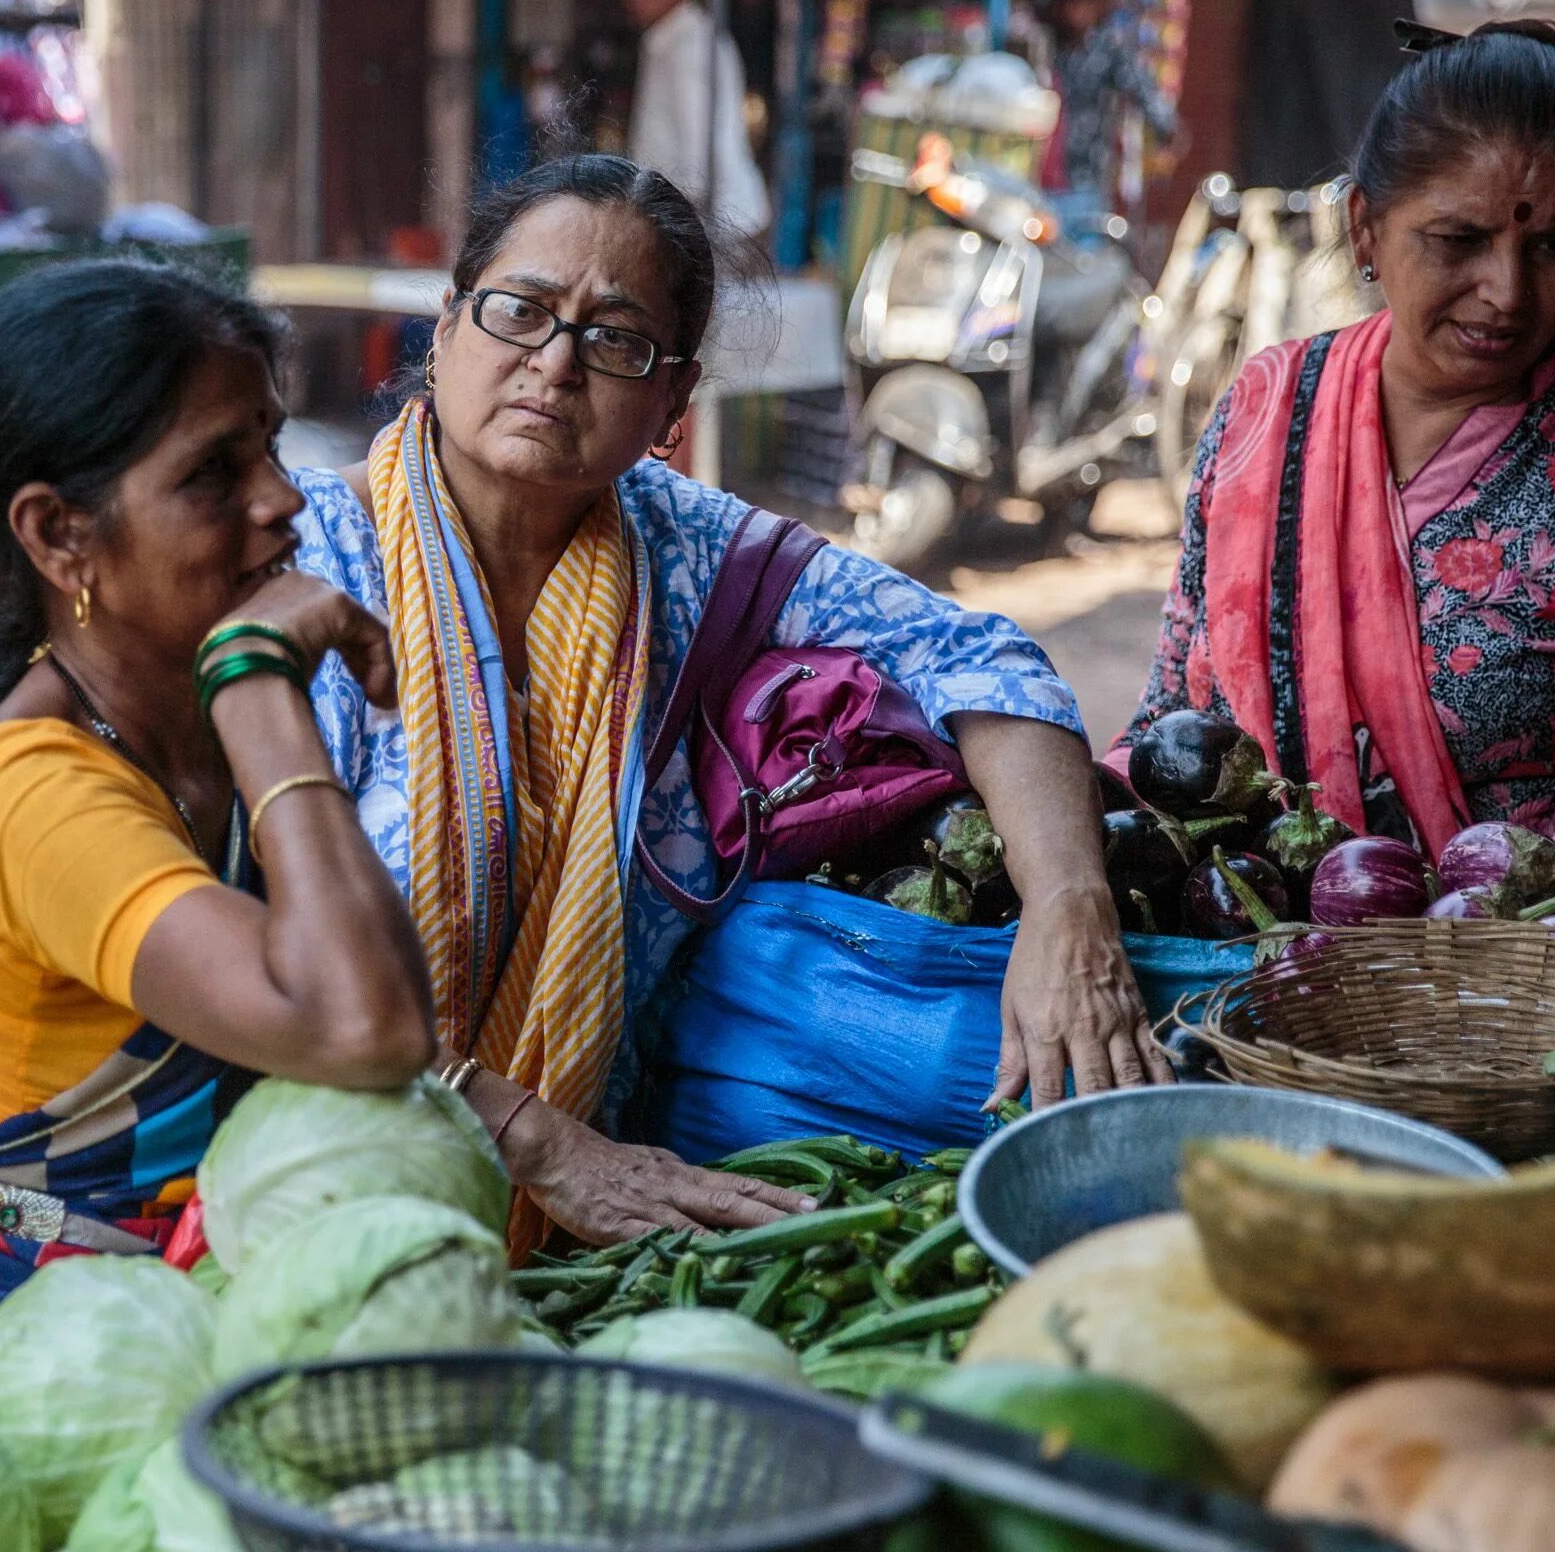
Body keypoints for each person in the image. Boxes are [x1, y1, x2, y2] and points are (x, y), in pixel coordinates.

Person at [290, 153, 1164, 1256]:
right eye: (518, 311)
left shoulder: (693, 554)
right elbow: (249, 949)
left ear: (671, 400)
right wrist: (537, 1141)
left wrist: (1066, 910)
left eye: (615, 339)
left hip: (594, 1214)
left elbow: (979, 656)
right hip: (308, 1162)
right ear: (448, 327)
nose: (554, 365)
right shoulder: (306, 562)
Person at [0, 261, 440, 1407]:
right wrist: (257, 679)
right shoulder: (37, 790)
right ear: (58, 535)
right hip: (34, 1395)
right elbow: (366, 1022)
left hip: (148, 1348)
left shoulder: (174, 726)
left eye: (270, 446)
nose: (281, 498)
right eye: (211, 474)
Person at [1115, 22, 1555, 853]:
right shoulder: (1265, 411)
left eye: (1554, 246)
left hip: (1525, 968)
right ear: (1366, 228)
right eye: (1460, 240)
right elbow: (1173, 717)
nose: (1506, 292)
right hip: (1247, 950)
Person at [621, 0, 770, 239]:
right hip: (688, 216)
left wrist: (687, 220)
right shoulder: (667, 42)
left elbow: (699, 141)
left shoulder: (691, 48)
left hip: (712, 221)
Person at [1043, 0, 1178, 240]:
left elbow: (1146, 92)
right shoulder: (1050, 47)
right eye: (1069, 1)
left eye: (1083, 1)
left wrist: (1167, 131)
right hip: (1043, 180)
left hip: (1088, 180)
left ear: (1099, 3)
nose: (1074, 11)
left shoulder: (1110, 48)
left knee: (1084, 263)